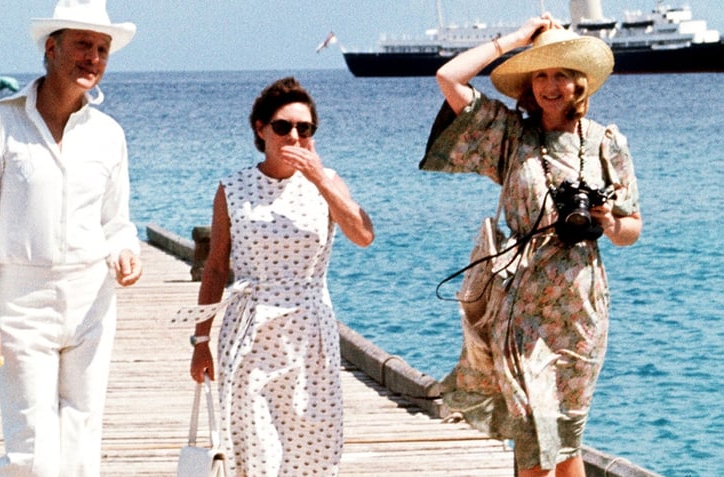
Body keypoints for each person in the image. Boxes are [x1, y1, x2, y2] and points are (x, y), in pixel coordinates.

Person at [421, 15, 642, 477]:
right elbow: (448, 77)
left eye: (561, 72)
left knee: (566, 441)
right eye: (539, 73)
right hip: (523, 309)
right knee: (534, 437)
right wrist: (515, 40)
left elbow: (632, 228)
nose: (550, 84)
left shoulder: (607, 143)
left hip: (582, 309)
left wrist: (606, 222)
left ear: (580, 81)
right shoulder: (510, 136)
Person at [0, 0, 142, 474]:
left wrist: (126, 250)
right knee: (30, 447)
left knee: (82, 439)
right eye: (83, 45)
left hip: (91, 300)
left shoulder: (109, 134)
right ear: (51, 48)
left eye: (102, 49)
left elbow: (116, 220)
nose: (94, 58)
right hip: (21, 302)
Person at [186, 76, 374, 476]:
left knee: (312, 454)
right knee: (256, 454)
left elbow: (363, 235)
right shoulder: (233, 188)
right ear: (261, 129)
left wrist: (321, 179)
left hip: (310, 335)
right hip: (249, 330)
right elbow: (216, 267)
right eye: (283, 126)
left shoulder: (328, 181)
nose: (293, 135)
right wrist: (201, 340)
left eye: (304, 129)